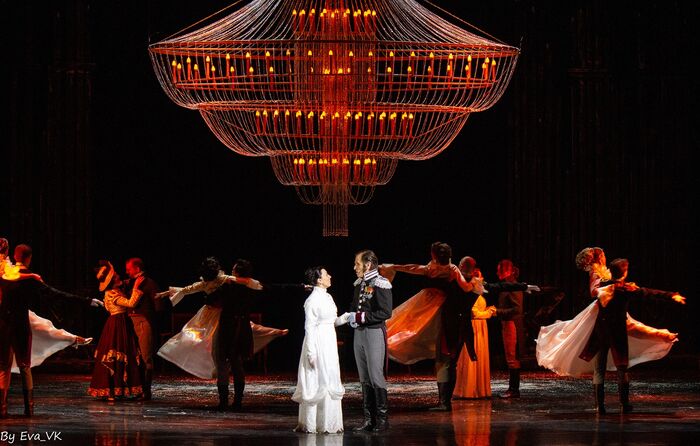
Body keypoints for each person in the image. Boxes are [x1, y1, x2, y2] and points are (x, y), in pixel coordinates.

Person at [1, 243, 99, 417]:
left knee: (3, 366)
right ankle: (29, 408)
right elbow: (56, 295)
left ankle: (2, 407)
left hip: (2, 324)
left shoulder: (5, 273)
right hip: (20, 324)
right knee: (24, 366)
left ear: (14, 256)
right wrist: (86, 301)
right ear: (29, 258)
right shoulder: (28, 278)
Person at [578, 258, 685, 414]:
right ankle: (624, 404)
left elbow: (594, 288)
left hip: (601, 331)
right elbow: (648, 293)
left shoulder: (602, 286)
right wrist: (671, 295)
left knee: (599, 368)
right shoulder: (626, 289)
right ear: (625, 273)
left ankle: (600, 406)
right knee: (622, 368)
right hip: (617, 331)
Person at [156, 262, 287, 385]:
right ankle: (218, 368)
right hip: (212, 315)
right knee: (208, 340)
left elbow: (188, 289)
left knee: (236, 334)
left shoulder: (222, 280)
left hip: (221, 314)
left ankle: (221, 368)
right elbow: (188, 289)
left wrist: (257, 285)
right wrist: (167, 293)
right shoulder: (215, 281)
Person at [383, 242, 477, 411]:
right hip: (441, 309)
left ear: (434, 255)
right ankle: (444, 401)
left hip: (428, 306)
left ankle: (444, 402)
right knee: (443, 356)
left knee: (410, 327)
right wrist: (474, 285)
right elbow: (465, 286)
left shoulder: (431, 268)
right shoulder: (452, 269)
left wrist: (395, 267)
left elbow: (412, 268)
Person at [292, 266, 349, 434]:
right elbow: (309, 327)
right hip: (317, 343)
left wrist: (345, 317)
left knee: (329, 376)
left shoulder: (328, 297)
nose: (329, 276)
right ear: (318, 280)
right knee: (317, 379)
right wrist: (311, 351)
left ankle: (329, 422)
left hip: (329, 342)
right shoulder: (312, 300)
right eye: (326, 274)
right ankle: (313, 423)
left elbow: (331, 321)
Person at [347, 249, 392, 432]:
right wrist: (351, 317)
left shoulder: (381, 283)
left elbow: (385, 312)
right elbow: (354, 306)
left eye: (357, 264)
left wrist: (360, 317)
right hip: (359, 333)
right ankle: (369, 419)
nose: (354, 267)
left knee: (375, 375)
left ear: (367, 264)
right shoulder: (359, 283)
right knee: (364, 377)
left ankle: (382, 419)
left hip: (373, 332)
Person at [87, 260, 145, 400]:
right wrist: (136, 287)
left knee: (122, 353)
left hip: (119, 323)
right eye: (116, 276)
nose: (119, 277)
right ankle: (111, 390)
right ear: (112, 281)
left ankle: (118, 390)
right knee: (116, 354)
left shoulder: (115, 290)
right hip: (118, 324)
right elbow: (131, 303)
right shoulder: (112, 293)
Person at [454, 267, 496, 399]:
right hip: (474, 326)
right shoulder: (470, 293)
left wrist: (488, 309)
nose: (481, 280)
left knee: (479, 356)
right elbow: (474, 312)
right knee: (471, 355)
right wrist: (489, 312)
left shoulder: (478, 292)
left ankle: (479, 389)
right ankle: (469, 390)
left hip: (481, 326)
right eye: (479, 278)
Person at [124, 258, 159, 400]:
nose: (127, 272)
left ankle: (146, 391)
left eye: (129, 269)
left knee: (145, 357)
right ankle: (138, 389)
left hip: (143, 321)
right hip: (131, 321)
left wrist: (150, 319)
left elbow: (158, 305)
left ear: (137, 268)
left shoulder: (148, 283)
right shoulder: (130, 283)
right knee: (136, 357)